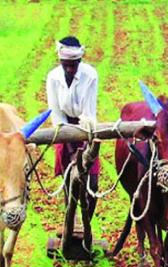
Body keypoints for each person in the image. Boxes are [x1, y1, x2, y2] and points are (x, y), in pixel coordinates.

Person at [46, 36, 99, 220]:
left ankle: (87, 223)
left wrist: (84, 150)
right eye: (65, 64)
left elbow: (88, 113)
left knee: (92, 183)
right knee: (69, 179)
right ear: (60, 61)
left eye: (73, 64)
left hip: (86, 127)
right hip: (63, 128)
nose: (69, 68)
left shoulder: (90, 75)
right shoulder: (53, 77)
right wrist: (67, 142)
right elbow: (56, 114)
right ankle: (69, 219)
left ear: (80, 61)